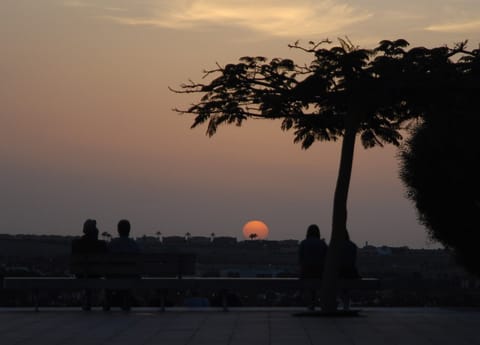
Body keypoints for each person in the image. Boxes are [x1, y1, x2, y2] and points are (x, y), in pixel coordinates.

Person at [71, 219, 107, 311]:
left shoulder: (76, 244)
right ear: (95, 231)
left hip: (80, 274)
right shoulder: (101, 245)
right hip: (97, 274)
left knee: (87, 274)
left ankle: (87, 301)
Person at [105, 219, 140, 311]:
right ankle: (126, 302)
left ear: (118, 230)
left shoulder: (111, 244)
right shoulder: (134, 245)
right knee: (127, 278)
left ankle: (107, 302)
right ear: (129, 230)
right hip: (130, 276)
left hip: (113, 276)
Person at [298, 224, 328, 310]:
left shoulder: (304, 243)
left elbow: (300, 259)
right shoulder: (322, 243)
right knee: (318, 286)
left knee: (308, 287)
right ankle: (317, 302)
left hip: (306, 271)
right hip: (320, 271)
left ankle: (310, 304)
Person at [339, 229, 360, 310]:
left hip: (340, 272)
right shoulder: (352, 245)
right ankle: (346, 303)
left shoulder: (336, 245)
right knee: (346, 286)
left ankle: (343, 301)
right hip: (351, 272)